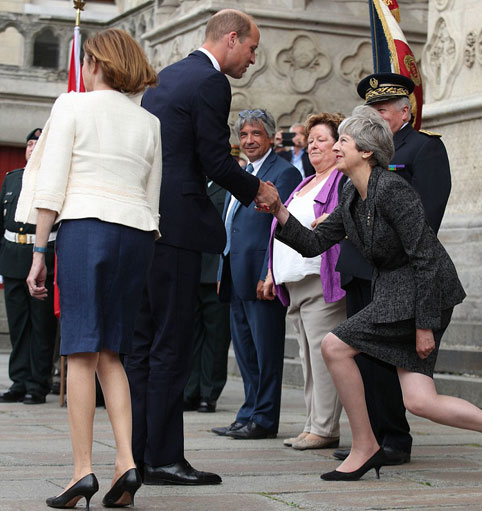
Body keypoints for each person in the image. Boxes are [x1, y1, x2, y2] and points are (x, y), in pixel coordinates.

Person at [259, 107, 482, 482]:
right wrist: (278, 209)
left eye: (343, 140)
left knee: (334, 346)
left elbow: (425, 257)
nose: (335, 147)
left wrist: (424, 325)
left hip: (421, 294)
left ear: (366, 151)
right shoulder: (351, 192)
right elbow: (314, 243)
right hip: (396, 292)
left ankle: (365, 447)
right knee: (421, 401)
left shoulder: (393, 190)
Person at [127, 9, 277, 485]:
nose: (252, 59)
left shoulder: (165, 77)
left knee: (143, 347)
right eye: (251, 48)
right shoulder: (211, 82)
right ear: (231, 39)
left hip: (147, 224)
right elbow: (214, 159)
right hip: (177, 230)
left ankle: (136, 455)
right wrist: (257, 190)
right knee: (172, 347)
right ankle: (163, 459)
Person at [18, 28, 161, 508]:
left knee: (80, 351)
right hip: (137, 233)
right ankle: (126, 462)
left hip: (86, 227)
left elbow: (51, 183)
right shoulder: (149, 121)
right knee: (111, 354)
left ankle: (82, 470)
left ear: (95, 63)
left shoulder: (72, 105)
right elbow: (153, 196)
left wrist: (39, 252)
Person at [333, 72, 452, 465]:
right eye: (372, 110)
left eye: (383, 110)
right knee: (363, 359)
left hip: (397, 273)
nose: (376, 116)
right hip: (359, 266)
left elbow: (426, 219)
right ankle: (369, 437)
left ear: (405, 112)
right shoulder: (357, 153)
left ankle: (394, 439)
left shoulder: (423, 148)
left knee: (386, 359)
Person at [212, 108, 301, 439]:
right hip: (235, 274)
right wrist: (222, 269)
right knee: (245, 351)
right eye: (244, 134)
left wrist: (270, 272)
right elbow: (230, 224)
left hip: (262, 277)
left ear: (271, 138)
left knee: (266, 352)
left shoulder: (284, 173)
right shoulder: (242, 173)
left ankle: (263, 419)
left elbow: (282, 227)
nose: (249, 140)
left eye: (256, 134)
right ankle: (248, 412)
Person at [263, 112, 347, 450]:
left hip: (320, 279)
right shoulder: (305, 182)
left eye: (321, 140)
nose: (313, 146)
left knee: (322, 355)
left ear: (338, 146)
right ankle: (313, 422)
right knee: (306, 356)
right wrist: (272, 271)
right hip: (294, 284)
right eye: (310, 141)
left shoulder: (339, 180)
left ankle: (325, 427)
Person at [0, 128, 58, 406]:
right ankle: (19, 381)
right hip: (13, 258)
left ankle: (38, 384)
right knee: (18, 325)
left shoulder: (53, 180)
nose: (33, 148)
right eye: (30, 144)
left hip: (43, 258)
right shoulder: (12, 179)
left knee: (41, 326)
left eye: (38, 144)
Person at [183, 178, 231, 414]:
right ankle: (190, 390)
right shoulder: (191, 179)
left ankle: (208, 393)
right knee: (190, 335)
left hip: (215, 272)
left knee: (216, 336)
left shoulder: (227, 182)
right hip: (189, 268)